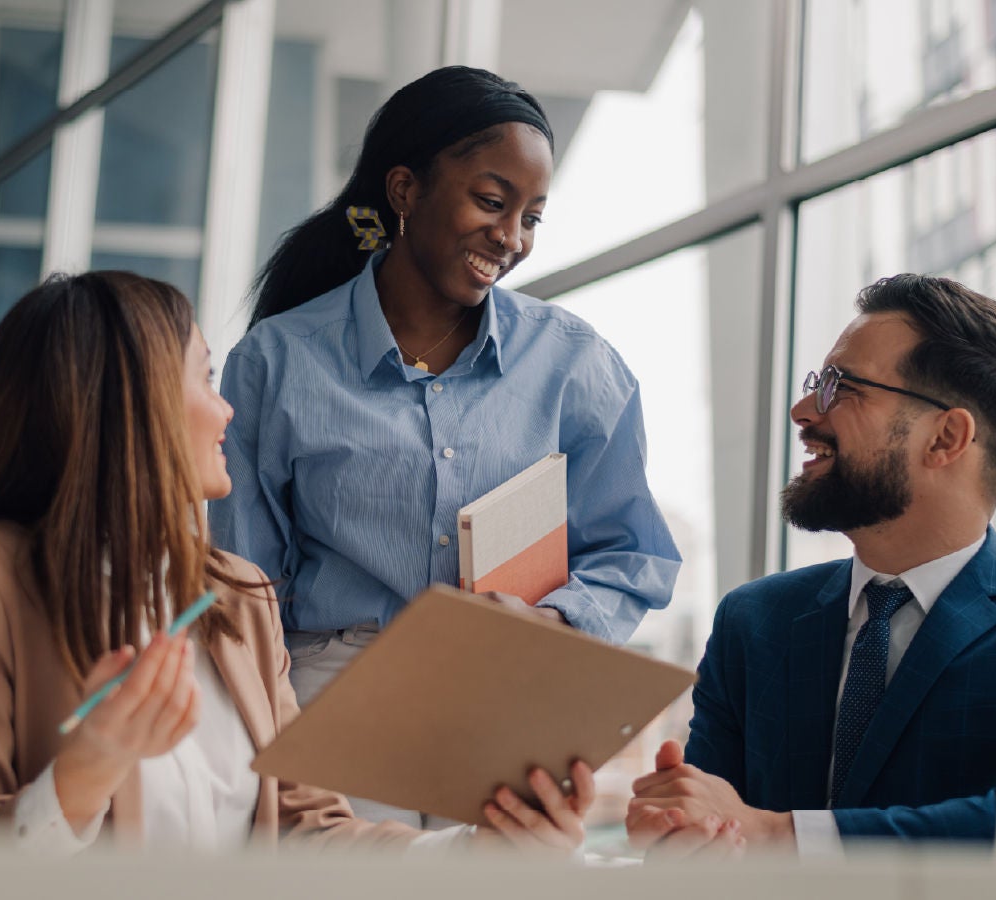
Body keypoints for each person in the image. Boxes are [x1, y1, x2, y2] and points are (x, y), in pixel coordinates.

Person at [0, 271, 595, 855]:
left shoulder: (235, 593)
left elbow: (305, 828)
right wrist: (83, 773)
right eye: (203, 378)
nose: (225, 411)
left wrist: (479, 851)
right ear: (127, 402)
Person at [210, 65, 680, 826]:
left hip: (504, 701)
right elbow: (244, 582)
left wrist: (553, 621)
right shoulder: (277, 361)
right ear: (404, 190)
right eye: (493, 202)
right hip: (333, 695)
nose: (512, 238)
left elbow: (634, 554)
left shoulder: (574, 365)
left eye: (532, 217)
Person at [626, 274, 996, 857]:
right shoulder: (753, 621)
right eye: (817, 383)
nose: (803, 409)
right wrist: (681, 829)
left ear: (945, 437)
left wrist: (779, 835)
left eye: (842, 387)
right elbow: (709, 830)